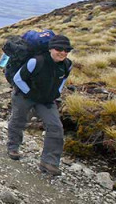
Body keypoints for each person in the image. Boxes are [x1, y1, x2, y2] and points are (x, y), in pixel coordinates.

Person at [7, 35, 73, 176]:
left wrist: (57, 92)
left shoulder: (67, 64)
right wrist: (30, 93)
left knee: (56, 126)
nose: (63, 52)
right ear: (50, 49)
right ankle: (13, 147)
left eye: (66, 49)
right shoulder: (36, 61)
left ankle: (49, 162)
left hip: (47, 99)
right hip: (24, 96)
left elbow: (63, 80)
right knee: (19, 120)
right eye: (59, 49)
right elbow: (17, 78)